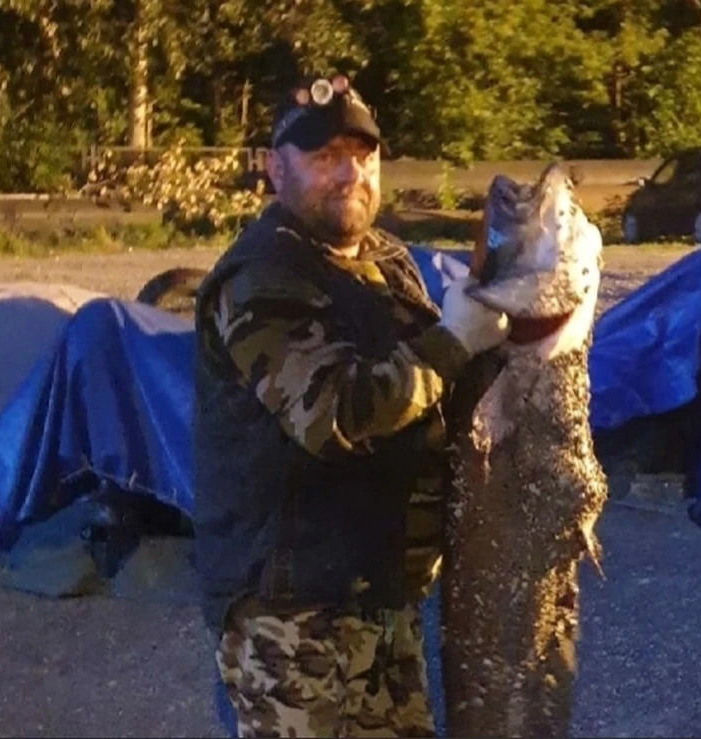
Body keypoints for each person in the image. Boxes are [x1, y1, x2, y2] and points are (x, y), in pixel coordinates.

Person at [191, 73, 510, 738]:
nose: (350, 175)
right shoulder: (260, 278)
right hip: (294, 616)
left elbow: (437, 385)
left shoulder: (387, 258)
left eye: (363, 156)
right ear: (276, 169)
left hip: (383, 597)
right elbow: (333, 412)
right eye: (324, 157)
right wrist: (454, 340)